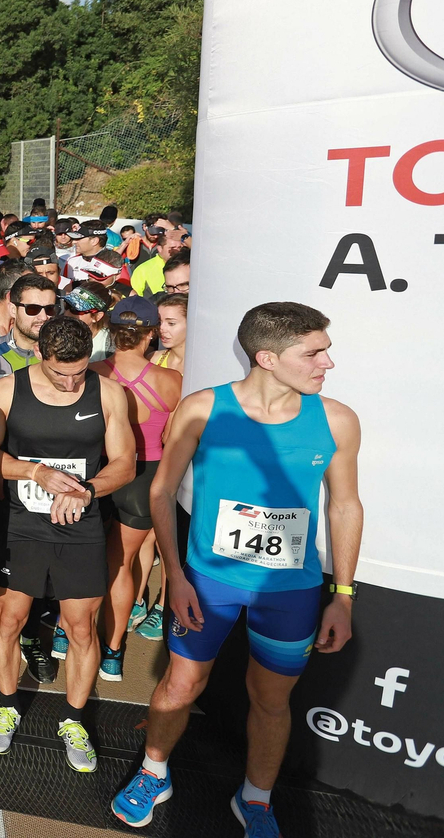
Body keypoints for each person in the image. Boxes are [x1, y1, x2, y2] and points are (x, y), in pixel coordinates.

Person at [112, 303, 362, 837]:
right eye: (314, 352)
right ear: (266, 357)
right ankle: (154, 772)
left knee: (271, 701)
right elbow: (161, 491)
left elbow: (345, 506)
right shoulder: (203, 409)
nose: (328, 363)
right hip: (208, 583)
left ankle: (257, 798)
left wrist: (342, 594)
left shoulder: (337, 419)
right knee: (180, 686)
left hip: (290, 591)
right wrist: (174, 576)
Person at [0, 316, 135, 772]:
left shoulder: (107, 393)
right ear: (37, 356)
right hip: (20, 523)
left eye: (80, 372)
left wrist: (84, 490)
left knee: (81, 626)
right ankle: (7, 704)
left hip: (79, 523)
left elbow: (124, 463)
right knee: (10, 618)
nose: (71, 383)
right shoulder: (5, 392)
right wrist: (34, 472)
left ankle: (73, 719)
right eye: (59, 373)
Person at [93, 297, 182, 682]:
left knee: (82, 558)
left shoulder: (93, 373)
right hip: (145, 476)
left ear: (112, 331)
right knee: (122, 564)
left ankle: (66, 631)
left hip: (99, 470)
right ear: (151, 334)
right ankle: (112, 652)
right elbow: (171, 437)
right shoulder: (172, 382)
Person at [0, 274, 57, 406]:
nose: (43, 317)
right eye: (33, 309)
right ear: (13, 310)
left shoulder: (63, 353)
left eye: (50, 309)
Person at [152, 294, 188, 373]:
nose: (161, 328)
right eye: (159, 322)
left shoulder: (204, 364)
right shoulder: (153, 359)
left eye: (171, 323)